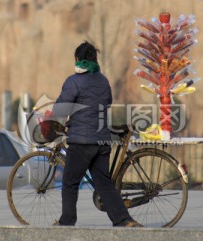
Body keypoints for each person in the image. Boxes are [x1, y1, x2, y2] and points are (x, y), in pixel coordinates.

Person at [52, 41, 143, 227]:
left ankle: (66, 222)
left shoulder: (74, 81)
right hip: (102, 141)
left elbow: (61, 109)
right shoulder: (103, 80)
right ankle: (124, 220)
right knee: (104, 184)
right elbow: (106, 103)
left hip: (81, 142)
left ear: (77, 60)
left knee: (69, 182)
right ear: (94, 59)